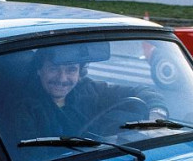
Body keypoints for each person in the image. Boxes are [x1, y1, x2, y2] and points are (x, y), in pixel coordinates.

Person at [11, 45, 168, 141]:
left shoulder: (89, 89)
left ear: (80, 73)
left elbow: (140, 91)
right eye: (53, 69)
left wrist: (157, 115)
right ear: (39, 70)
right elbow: (35, 160)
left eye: (71, 70)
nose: (62, 78)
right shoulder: (24, 106)